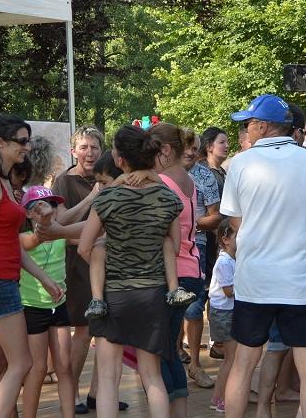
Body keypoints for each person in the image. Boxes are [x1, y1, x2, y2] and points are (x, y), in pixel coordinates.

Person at [220, 94, 306, 418]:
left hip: (256, 279)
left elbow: (236, 222)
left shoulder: (242, 163)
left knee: (243, 364)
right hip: (300, 281)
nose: (245, 131)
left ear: (263, 125)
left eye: (248, 124)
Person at [77, 124, 183, 418]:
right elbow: (173, 248)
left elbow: (85, 248)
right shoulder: (167, 198)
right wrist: (154, 179)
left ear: (120, 159)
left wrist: (107, 264)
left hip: (114, 296)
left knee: (109, 378)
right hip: (153, 294)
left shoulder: (107, 199)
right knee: (152, 377)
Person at [0, 115, 63, 418]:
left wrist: (44, 278)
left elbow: (10, 243)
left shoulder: (5, 182)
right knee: (21, 364)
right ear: (0, 143)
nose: (27, 146)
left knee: (4, 364)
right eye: (22, 141)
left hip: (6, 280)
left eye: (28, 140)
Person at [49, 125, 107, 414]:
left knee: (105, 331)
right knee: (83, 331)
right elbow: (58, 227)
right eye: (84, 147)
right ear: (73, 151)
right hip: (76, 262)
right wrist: (92, 197)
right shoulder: (64, 182)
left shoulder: (108, 178)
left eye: (94, 147)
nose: (89, 152)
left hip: (104, 260)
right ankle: (68, 395)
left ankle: (98, 395)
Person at [147, 122, 203, 417]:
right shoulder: (187, 179)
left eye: (151, 151)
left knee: (158, 355)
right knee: (169, 349)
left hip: (171, 274)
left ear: (165, 150)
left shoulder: (161, 182)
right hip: (190, 271)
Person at [19, 186, 75, 418]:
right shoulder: (23, 238)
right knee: (38, 368)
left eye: (51, 204)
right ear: (28, 214)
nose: (46, 208)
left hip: (59, 307)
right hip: (32, 308)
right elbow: (35, 238)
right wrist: (49, 220)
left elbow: (87, 235)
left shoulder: (60, 235)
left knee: (64, 366)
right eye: (39, 206)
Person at [182, 132, 222, 388]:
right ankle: (173, 357)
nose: (190, 152)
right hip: (167, 248)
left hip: (196, 247)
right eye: (185, 147)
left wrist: (189, 225)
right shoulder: (160, 173)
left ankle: (196, 365)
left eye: (194, 148)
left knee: (195, 306)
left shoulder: (205, 175)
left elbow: (215, 216)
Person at [208, 218, 238, 413]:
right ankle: (218, 398)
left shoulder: (232, 259)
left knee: (233, 358)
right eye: (238, 235)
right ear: (226, 239)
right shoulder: (224, 261)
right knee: (231, 359)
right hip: (224, 313)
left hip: (229, 312)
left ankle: (222, 396)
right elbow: (228, 291)